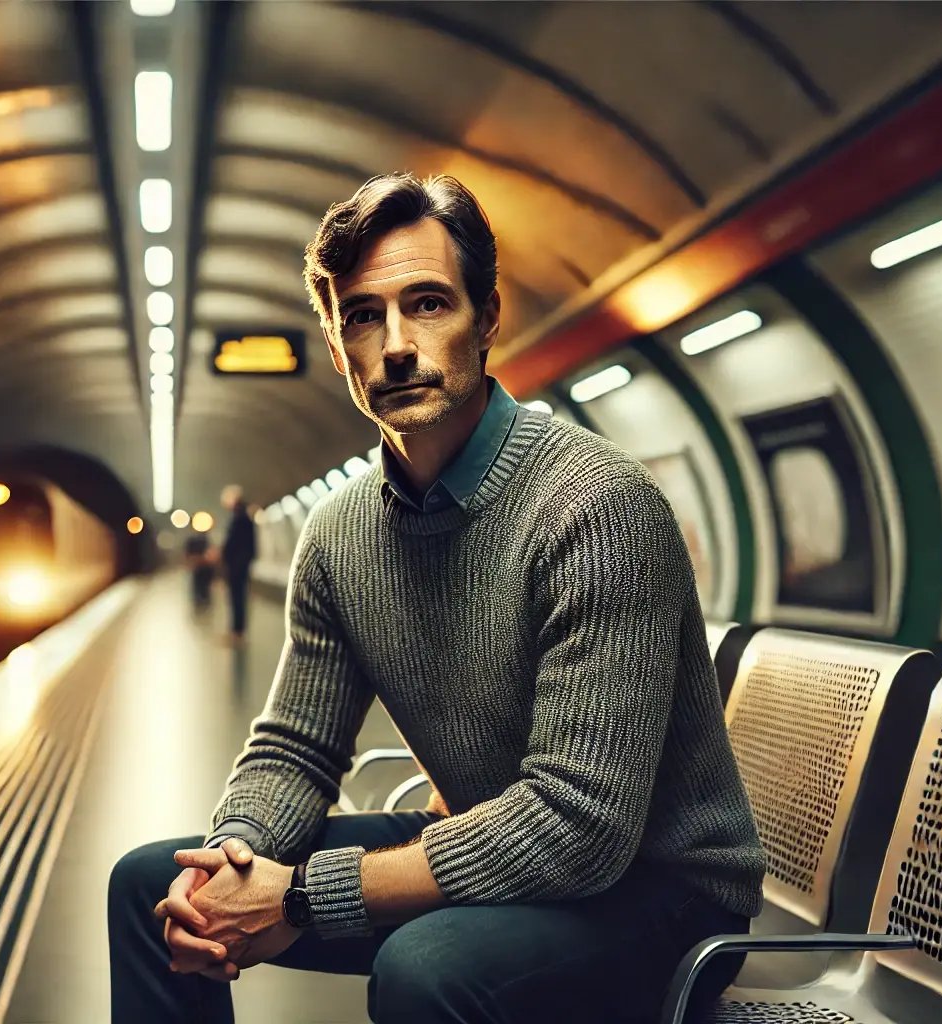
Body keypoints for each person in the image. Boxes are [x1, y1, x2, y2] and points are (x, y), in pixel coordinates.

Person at [108, 173, 765, 1023]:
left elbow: (581, 827)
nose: (397, 345)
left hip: (659, 894)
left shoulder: (597, 504)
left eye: (427, 304)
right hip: (496, 846)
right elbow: (295, 748)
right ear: (337, 344)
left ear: (486, 318)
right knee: (157, 892)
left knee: (428, 968)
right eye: (363, 316)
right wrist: (234, 860)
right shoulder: (340, 535)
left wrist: (299, 896)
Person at [217, 486, 257, 643]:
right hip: (239, 563)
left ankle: (238, 632)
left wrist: (225, 554)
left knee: (237, 598)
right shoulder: (242, 515)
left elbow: (235, 542)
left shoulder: (240, 517)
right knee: (236, 598)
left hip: (238, 565)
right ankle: (236, 630)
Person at [184, 530, 215, 609]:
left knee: (202, 585)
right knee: (199, 585)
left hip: (204, 567)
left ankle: (203, 600)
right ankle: (201, 601)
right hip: (200, 567)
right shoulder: (203, 541)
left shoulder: (205, 541)